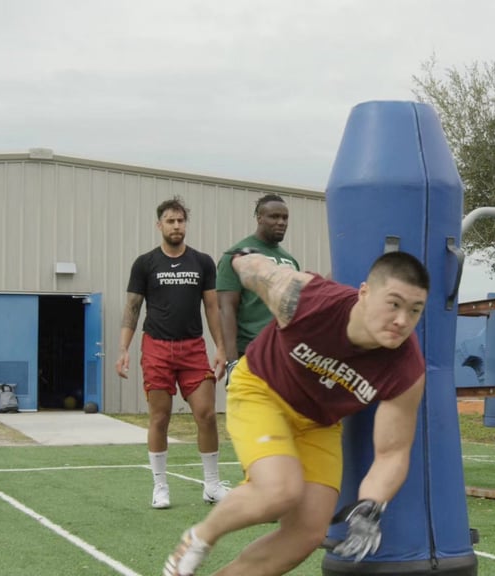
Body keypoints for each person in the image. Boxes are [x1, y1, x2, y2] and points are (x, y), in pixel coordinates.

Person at [163, 250, 429, 576]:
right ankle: (199, 539)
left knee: (306, 533)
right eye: (394, 304)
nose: (403, 320)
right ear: (364, 293)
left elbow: (392, 452)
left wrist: (370, 506)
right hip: (263, 389)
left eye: (415, 310)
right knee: (278, 491)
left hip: (319, 422)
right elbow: (255, 268)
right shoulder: (305, 299)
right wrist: (239, 257)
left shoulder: (406, 369)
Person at [116, 196, 229, 510]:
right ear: (159, 225)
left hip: (193, 348)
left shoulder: (202, 262)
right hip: (157, 349)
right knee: (160, 418)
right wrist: (123, 349)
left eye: (180, 221)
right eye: (170, 220)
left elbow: (211, 307)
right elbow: (132, 309)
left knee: (206, 415)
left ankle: (212, 486)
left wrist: (220, 348)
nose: (176, 226)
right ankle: (161, 486)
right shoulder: (145, 263)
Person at [216, 194, 299, 376]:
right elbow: (226, 308)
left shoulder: (290, 260)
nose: (281, 222)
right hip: (251, 352)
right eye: (274, 216)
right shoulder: (237, 255)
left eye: (285, 218)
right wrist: (232, 362)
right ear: (259, 218)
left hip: (285, 353)